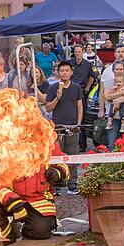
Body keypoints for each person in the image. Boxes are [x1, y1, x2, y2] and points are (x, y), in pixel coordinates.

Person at [0, 142, 70, 242]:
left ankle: (26, 228)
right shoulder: (3, 140)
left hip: (38, 201)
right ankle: (8, 235)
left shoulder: (46, 138)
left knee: (40, 232)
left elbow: (64, 162)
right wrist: (9, 198)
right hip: (8, 199)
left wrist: (59, 171)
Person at [45, 62, 83, 194]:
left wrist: (78, 123)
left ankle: (72, 184)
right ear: (58, 72)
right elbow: (48, 107)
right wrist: (57, 97)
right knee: (57, 155)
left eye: (67, 70)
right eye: (62, 71)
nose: (64, 73)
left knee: (72, 154)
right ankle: (57, 184)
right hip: (58, 126)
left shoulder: (76, 88)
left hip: (72, 125)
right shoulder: (52, 88)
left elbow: (79, 106)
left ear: (71, 72)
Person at [104, 74, 124, 149]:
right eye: (117, 69)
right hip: (114, 118)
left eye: (121, 69)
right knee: (111, 144)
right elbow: (107, 96)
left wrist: (118, 101)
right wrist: (121, 93)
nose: (119, 71)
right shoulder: (109, 82)